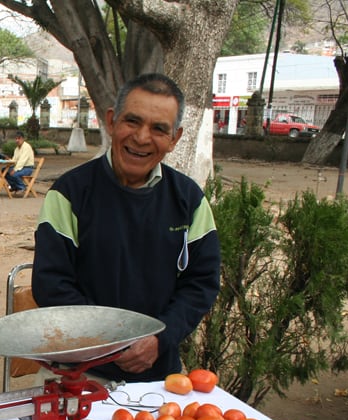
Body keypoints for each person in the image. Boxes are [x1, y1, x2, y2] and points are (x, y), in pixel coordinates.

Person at [31, 73, 221, 384]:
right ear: (111, 121)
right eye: (132, 121)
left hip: (158, 377)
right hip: (77, 373)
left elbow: (201, 283)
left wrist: (161, 338)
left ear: (175, 138)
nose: (142, 138)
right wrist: (111, 340)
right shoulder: (69, 193)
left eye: (159, 129)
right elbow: (50, 283)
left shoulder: (189, 200)